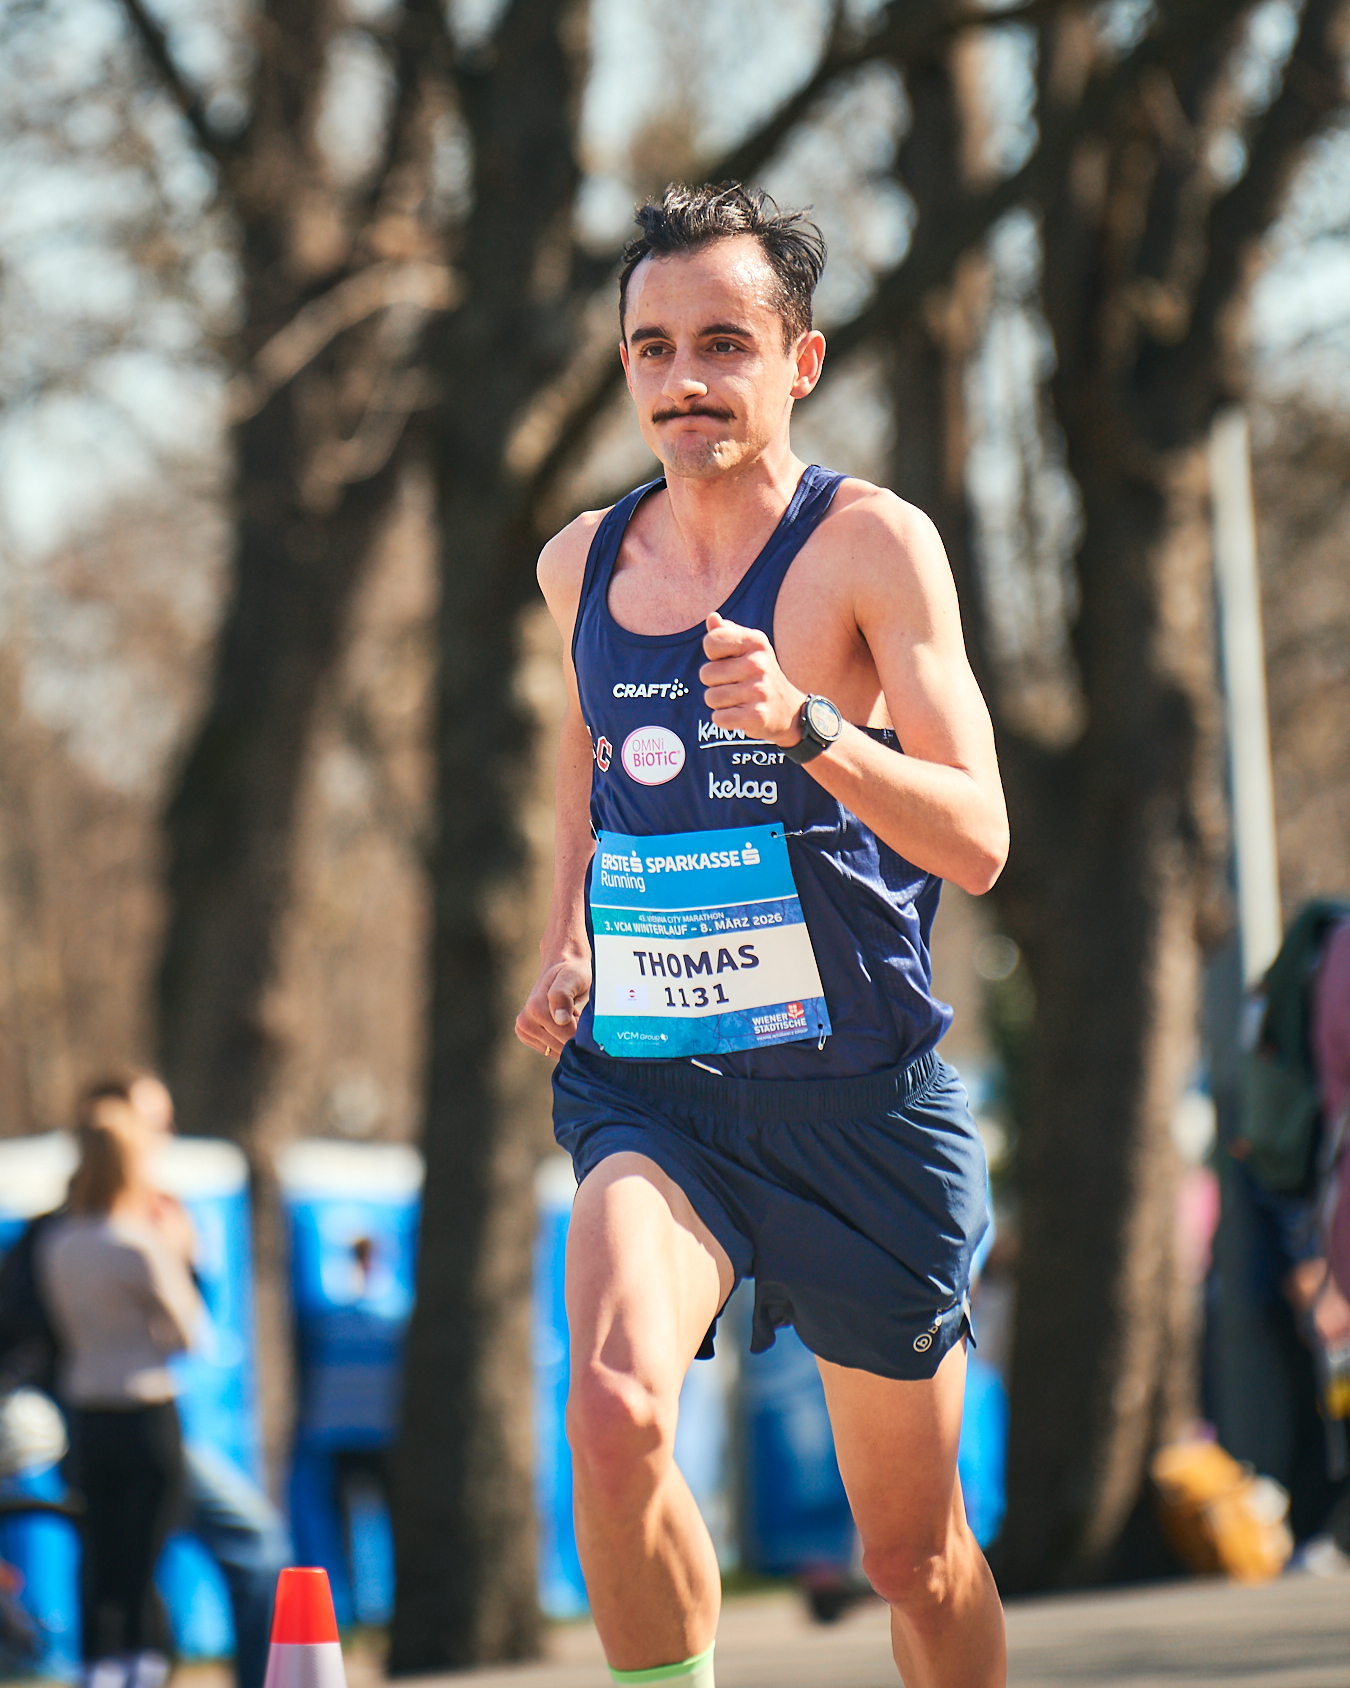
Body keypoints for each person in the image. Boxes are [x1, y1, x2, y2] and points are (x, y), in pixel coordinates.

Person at [516, 183, 1009, 1688]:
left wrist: (812, 732)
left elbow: (979, 838)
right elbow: (585, 782)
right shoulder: (578, 564)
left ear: (796, 362)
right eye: (652, 348)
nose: (682, 380)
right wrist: (569, 943)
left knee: (907, 1563)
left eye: (721, 344)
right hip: (654, 1092)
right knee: (612, 1412)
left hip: (859, 1106)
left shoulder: (870, 548)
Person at [38, 1094, 201, 1688]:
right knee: (142, 1562)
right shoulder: (138, 1243)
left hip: (86, 1406)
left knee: (99, 1555)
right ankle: (143, 1667)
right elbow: (190, 1332)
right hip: (144, 1407)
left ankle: (97, 1668)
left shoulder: (57, 1244)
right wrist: (183, 1253)